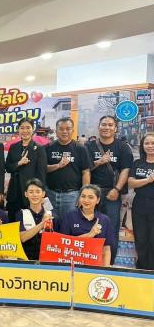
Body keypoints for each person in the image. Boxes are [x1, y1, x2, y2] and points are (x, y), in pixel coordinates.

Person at [86, 115, 133, 264]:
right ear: (99, 126)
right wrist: (99, 162)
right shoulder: (89, 146)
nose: (106, 127)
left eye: (110, 125)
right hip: (92, 193)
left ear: (116, 128)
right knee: (88, 225)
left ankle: (109, 263)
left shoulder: (123, 147)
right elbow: (85, 168)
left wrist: (117, 189)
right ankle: (89, 260)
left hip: (112, 193)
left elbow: (125, 170)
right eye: (104, 124)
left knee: (111, 228)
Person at [46, 117, 91, 220]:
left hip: (72, 195)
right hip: (50, 194)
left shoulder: (80, 148)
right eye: (61, 129)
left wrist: (84, 195)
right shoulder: (48, 147)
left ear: (73, 131)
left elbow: (86, 172)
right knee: (51, 224)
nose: (64, 131)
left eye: (68, 129)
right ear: (56, 131)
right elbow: (43, 169)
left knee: (70, 224)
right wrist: (58, 165)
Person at [59, 184, 113, 267]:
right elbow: (63, 245)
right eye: (83, 196)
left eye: (90, 197)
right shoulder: (69, 216)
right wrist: (89, 235)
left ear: (98, 200)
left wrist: (106, 270)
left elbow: (106, 249)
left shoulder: (105, 220)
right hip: (72, 265)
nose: (86, 200)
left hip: (95, 267)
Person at [5, 118, 47, 221]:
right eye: (22, 128)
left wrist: (41, 194)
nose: (25, 131)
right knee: (13, 221)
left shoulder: (39, 148)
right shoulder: (13, 147)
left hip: (31, 194)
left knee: (29, 223)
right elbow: (8, 167)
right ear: (18, 130)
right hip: (14, 192)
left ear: (33, 129)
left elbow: (42, 174)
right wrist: (19, 163)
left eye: (28, 128)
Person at [128, 133, 154, 269]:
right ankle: (142, 269)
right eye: (147, 143)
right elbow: (131, 183)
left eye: (153, 143)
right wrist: (148, 180)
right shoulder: (137, 163)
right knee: (141, 238)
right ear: (142, 146)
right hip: (140, 204)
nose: (150, 146)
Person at [15, 178, 54, 261]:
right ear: (26, 194)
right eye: (31, 192)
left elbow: (55, 240)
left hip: (46, 261)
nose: (34, 195)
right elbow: (23, 238)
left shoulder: (51, 214)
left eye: (37, 191)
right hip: (26, 260)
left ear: (43, 193)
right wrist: (42, 223)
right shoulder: (21, 214)